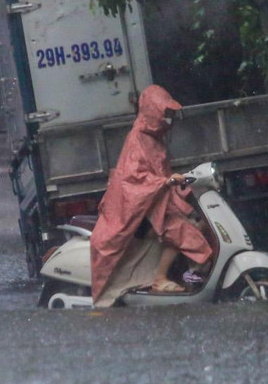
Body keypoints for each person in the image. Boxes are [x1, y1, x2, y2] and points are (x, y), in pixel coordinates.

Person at [90, 85, 215, 307]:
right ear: (152, 112)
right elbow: (134, 178)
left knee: (200, 221)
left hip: (157, 201)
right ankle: (160, 279)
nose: (169, 119)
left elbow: (161, 172)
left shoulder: (154, 139)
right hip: (140, 207)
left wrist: (180, 184)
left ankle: (189, 272)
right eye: (165, 113)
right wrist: (164, 182)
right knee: (181, 231)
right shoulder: (137, 139)